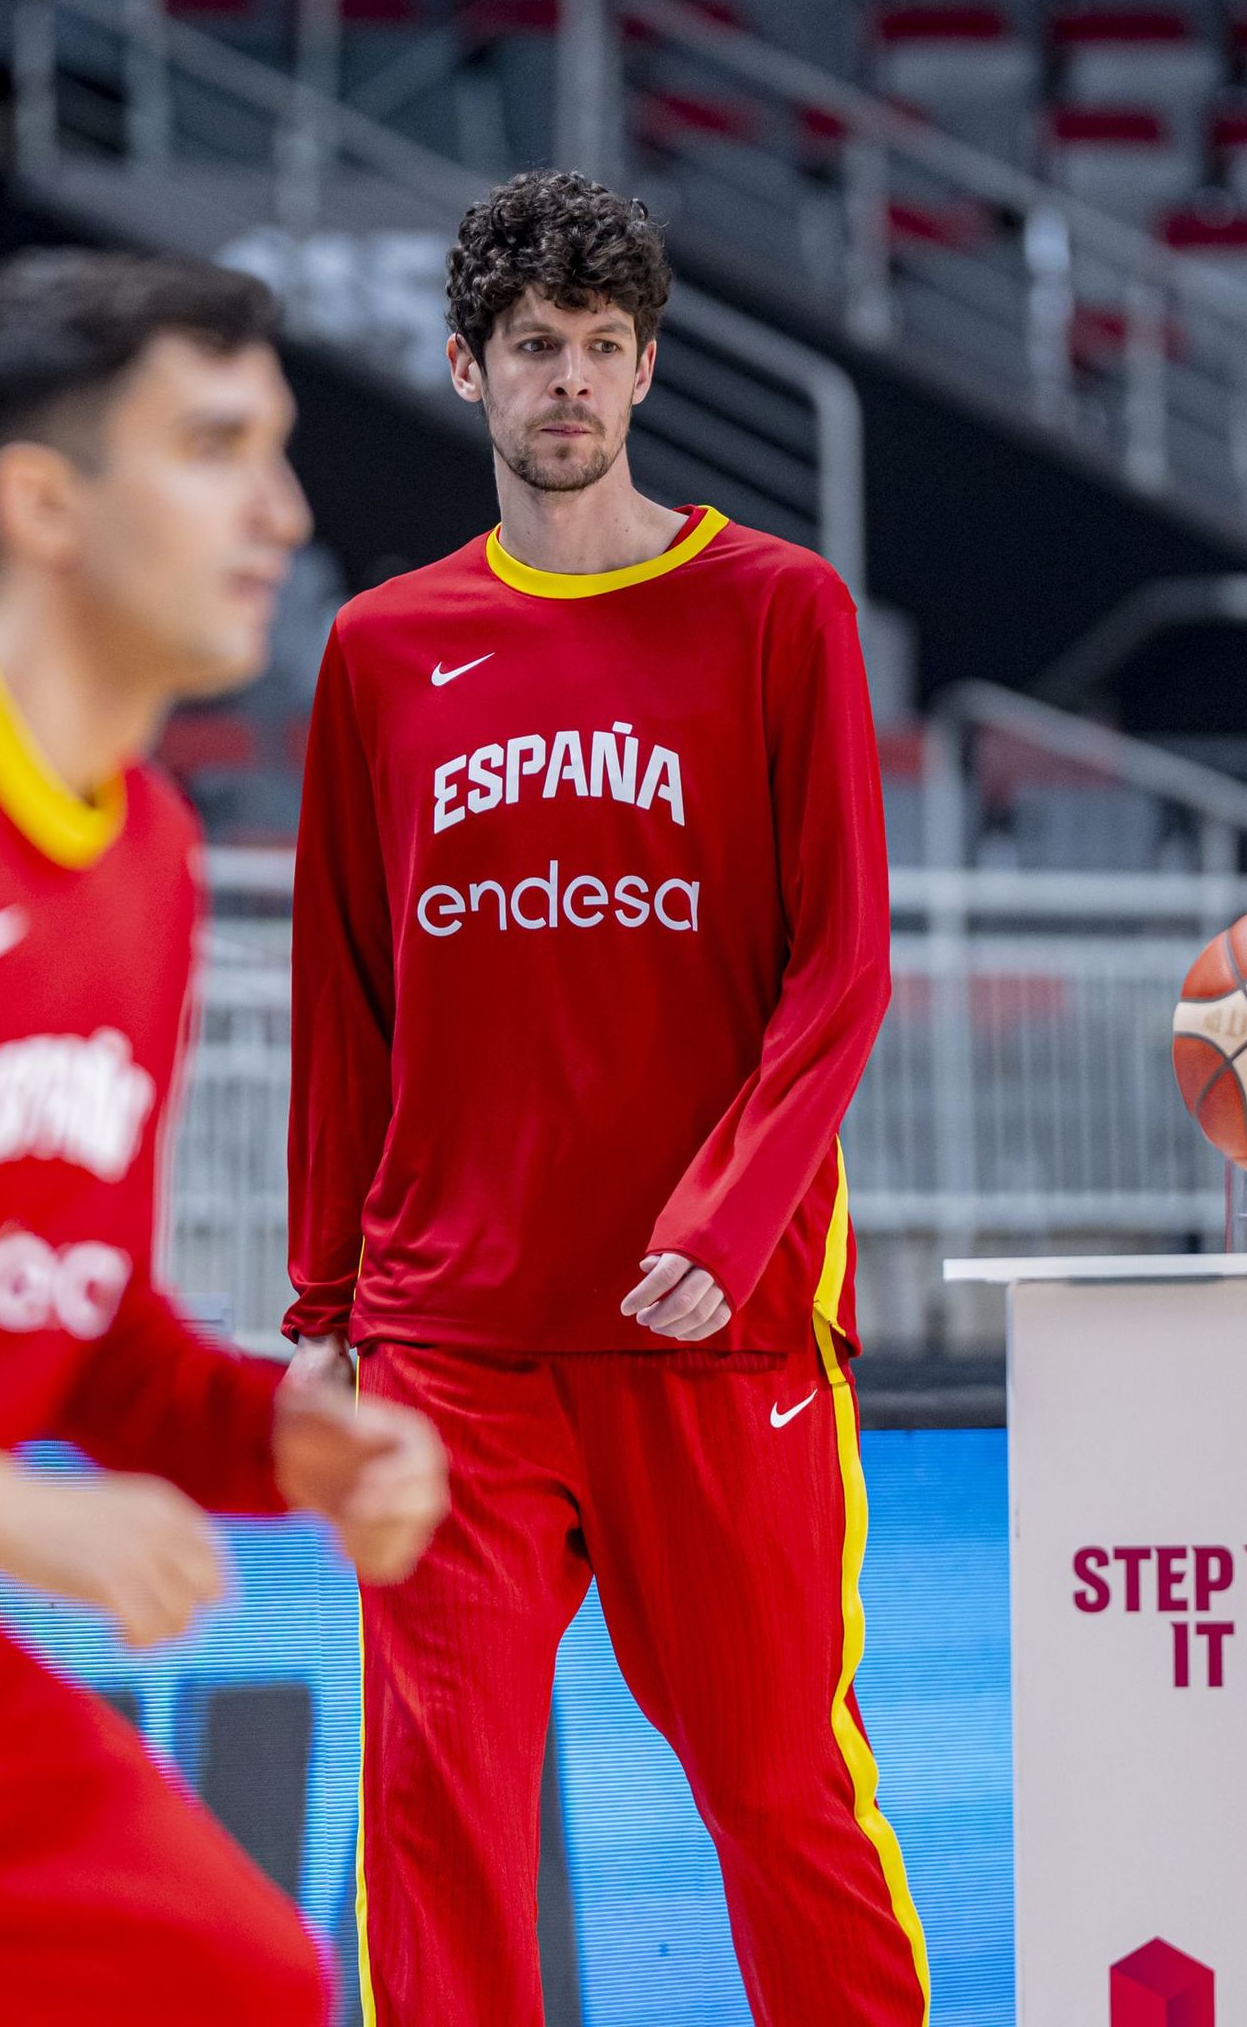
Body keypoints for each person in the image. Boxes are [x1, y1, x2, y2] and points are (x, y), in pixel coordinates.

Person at [284, 169, 931, 2026]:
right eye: (532, 348)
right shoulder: (381, 653)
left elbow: (843, 968)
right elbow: (346, 996)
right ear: (471, 375)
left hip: (714, 1341)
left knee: (785, 1798)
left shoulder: (778, 612)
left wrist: (724, 1228)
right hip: (450, 1342)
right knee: (434, 1819)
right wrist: (325, 1308)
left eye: (600, 347)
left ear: (645, 370)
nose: (568, 381)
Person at [0, 249, 450, 2026]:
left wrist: (283, 1439)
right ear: (41, 500)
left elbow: (71, 1330)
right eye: (212, 446)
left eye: (278, 449)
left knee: (230, 1979)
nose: (284, 513)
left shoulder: (153, 855)